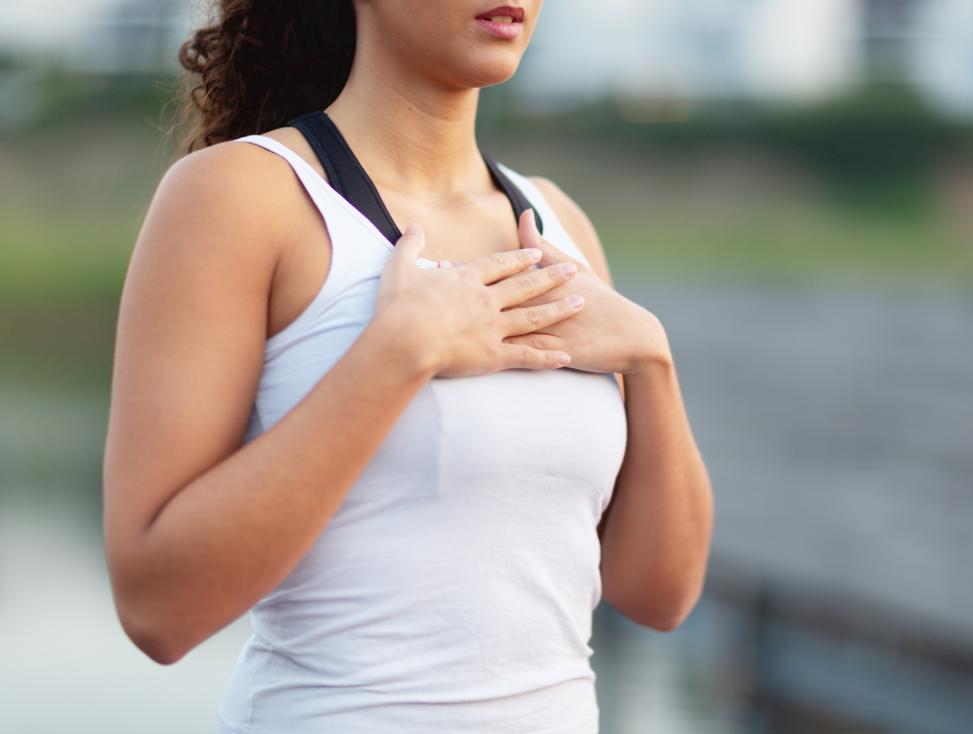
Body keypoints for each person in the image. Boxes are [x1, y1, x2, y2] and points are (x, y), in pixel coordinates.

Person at [102, 2, 714, 732]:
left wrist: (651, 358)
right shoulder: (242, 196)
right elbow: (158, 609)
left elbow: (657, 596)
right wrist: (398, 356)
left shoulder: (557, 222)